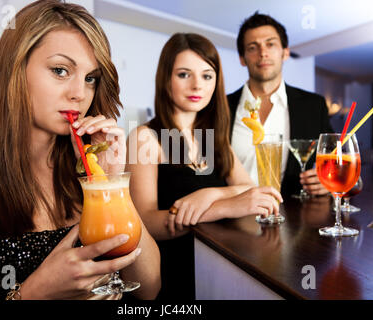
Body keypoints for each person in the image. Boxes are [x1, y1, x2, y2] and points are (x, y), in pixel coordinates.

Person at [0, 0, 160, 300]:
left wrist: (110, 183)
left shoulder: (87, 168)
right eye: (60, 70)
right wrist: (34, 292)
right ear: (14, 70)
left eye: (90, 78)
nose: (79, 94)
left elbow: (149, 288)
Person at [126, 33, 282, 300]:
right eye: (184, 74)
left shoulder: (211, 138)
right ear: (166, 79)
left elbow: (251, 191)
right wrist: (221, 207)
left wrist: (211, 194)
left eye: (207, 76)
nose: (197, 85)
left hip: (220, 264)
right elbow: (145, 223)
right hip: (173, 273)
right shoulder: (145, 137)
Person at [228, 12, 333, 196]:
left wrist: (328, 179)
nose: (263, 53)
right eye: (253, 47)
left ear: (285, 52)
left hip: (293, 219)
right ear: (242, 58)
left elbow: (337, 159)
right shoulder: (220, 107)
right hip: (232, 218)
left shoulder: (313, 106)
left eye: (270, 44)